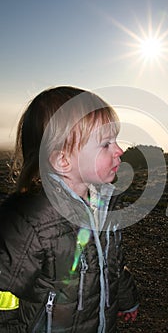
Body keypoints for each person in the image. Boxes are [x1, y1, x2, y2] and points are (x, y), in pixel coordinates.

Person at [0, 86, 139, 332]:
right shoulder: (32, 221)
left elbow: (112, 264)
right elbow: (4, 292)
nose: (119, 150)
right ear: (63, 160)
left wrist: (128, 300)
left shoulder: (104, 207)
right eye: (106, 144)